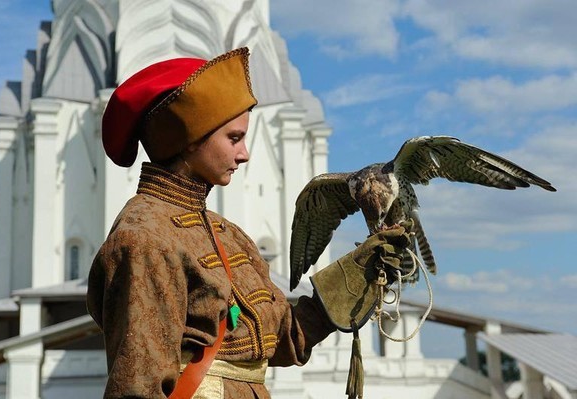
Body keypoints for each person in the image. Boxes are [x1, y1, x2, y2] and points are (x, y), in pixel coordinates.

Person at [87, 47, 411, 399]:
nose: (244, 154)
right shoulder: (144, 237)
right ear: (188, 139)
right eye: (234, 138)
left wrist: (360, 271)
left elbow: (285, 338)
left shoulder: (229, 235)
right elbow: (136, 388)